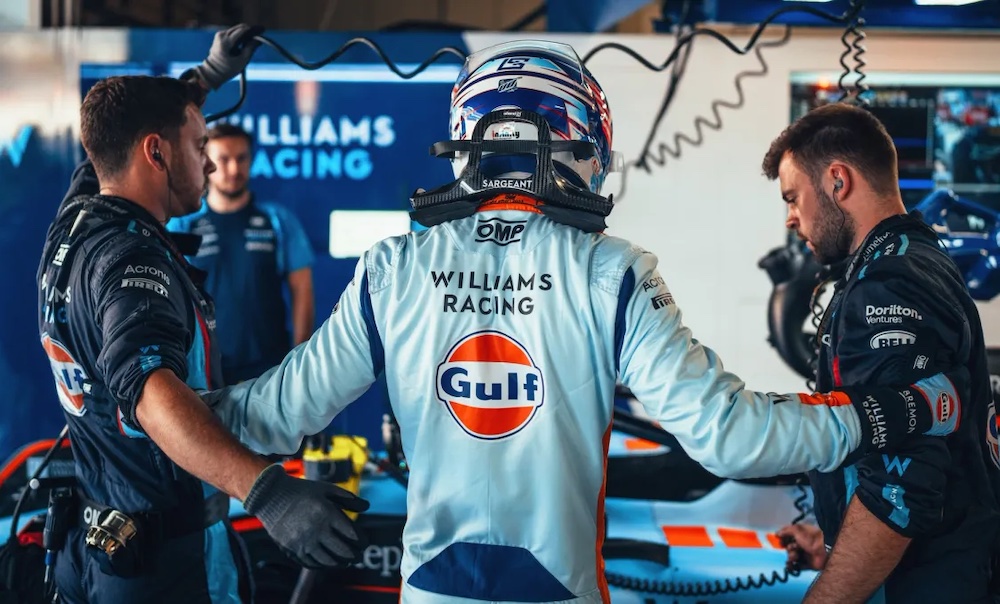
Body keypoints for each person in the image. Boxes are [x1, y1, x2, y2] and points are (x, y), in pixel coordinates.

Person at [203, 41, 967, 604]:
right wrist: (888, 413)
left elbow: (265, 414)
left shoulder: (393, 269)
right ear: (576, 140)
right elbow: (730, 436)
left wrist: (157, 411)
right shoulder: (611, 272)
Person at [37, 26, 366, 604]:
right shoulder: (132, 258)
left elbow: (115, 141)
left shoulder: (73, 223)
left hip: (101, 547)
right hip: (164, 564)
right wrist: (267, 493)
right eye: (198, 147)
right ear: (157, 153)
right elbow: (152, 395)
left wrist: (206, 78)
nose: (210, 167)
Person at [764, 102, 1000, 603]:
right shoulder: (917, 259)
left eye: (792, 197)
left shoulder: (887, 285)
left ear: (837, 180)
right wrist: (834, 539)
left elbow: (902, 491)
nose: (790, 218)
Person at [167, 123, 315, 385]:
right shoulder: (183, 226)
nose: (234, 169)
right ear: (205, 162)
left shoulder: (278, 221)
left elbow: (302, 290)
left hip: (270, 372)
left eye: (241, 158)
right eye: (223, 159)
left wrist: (299, 363)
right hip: (203, 371)